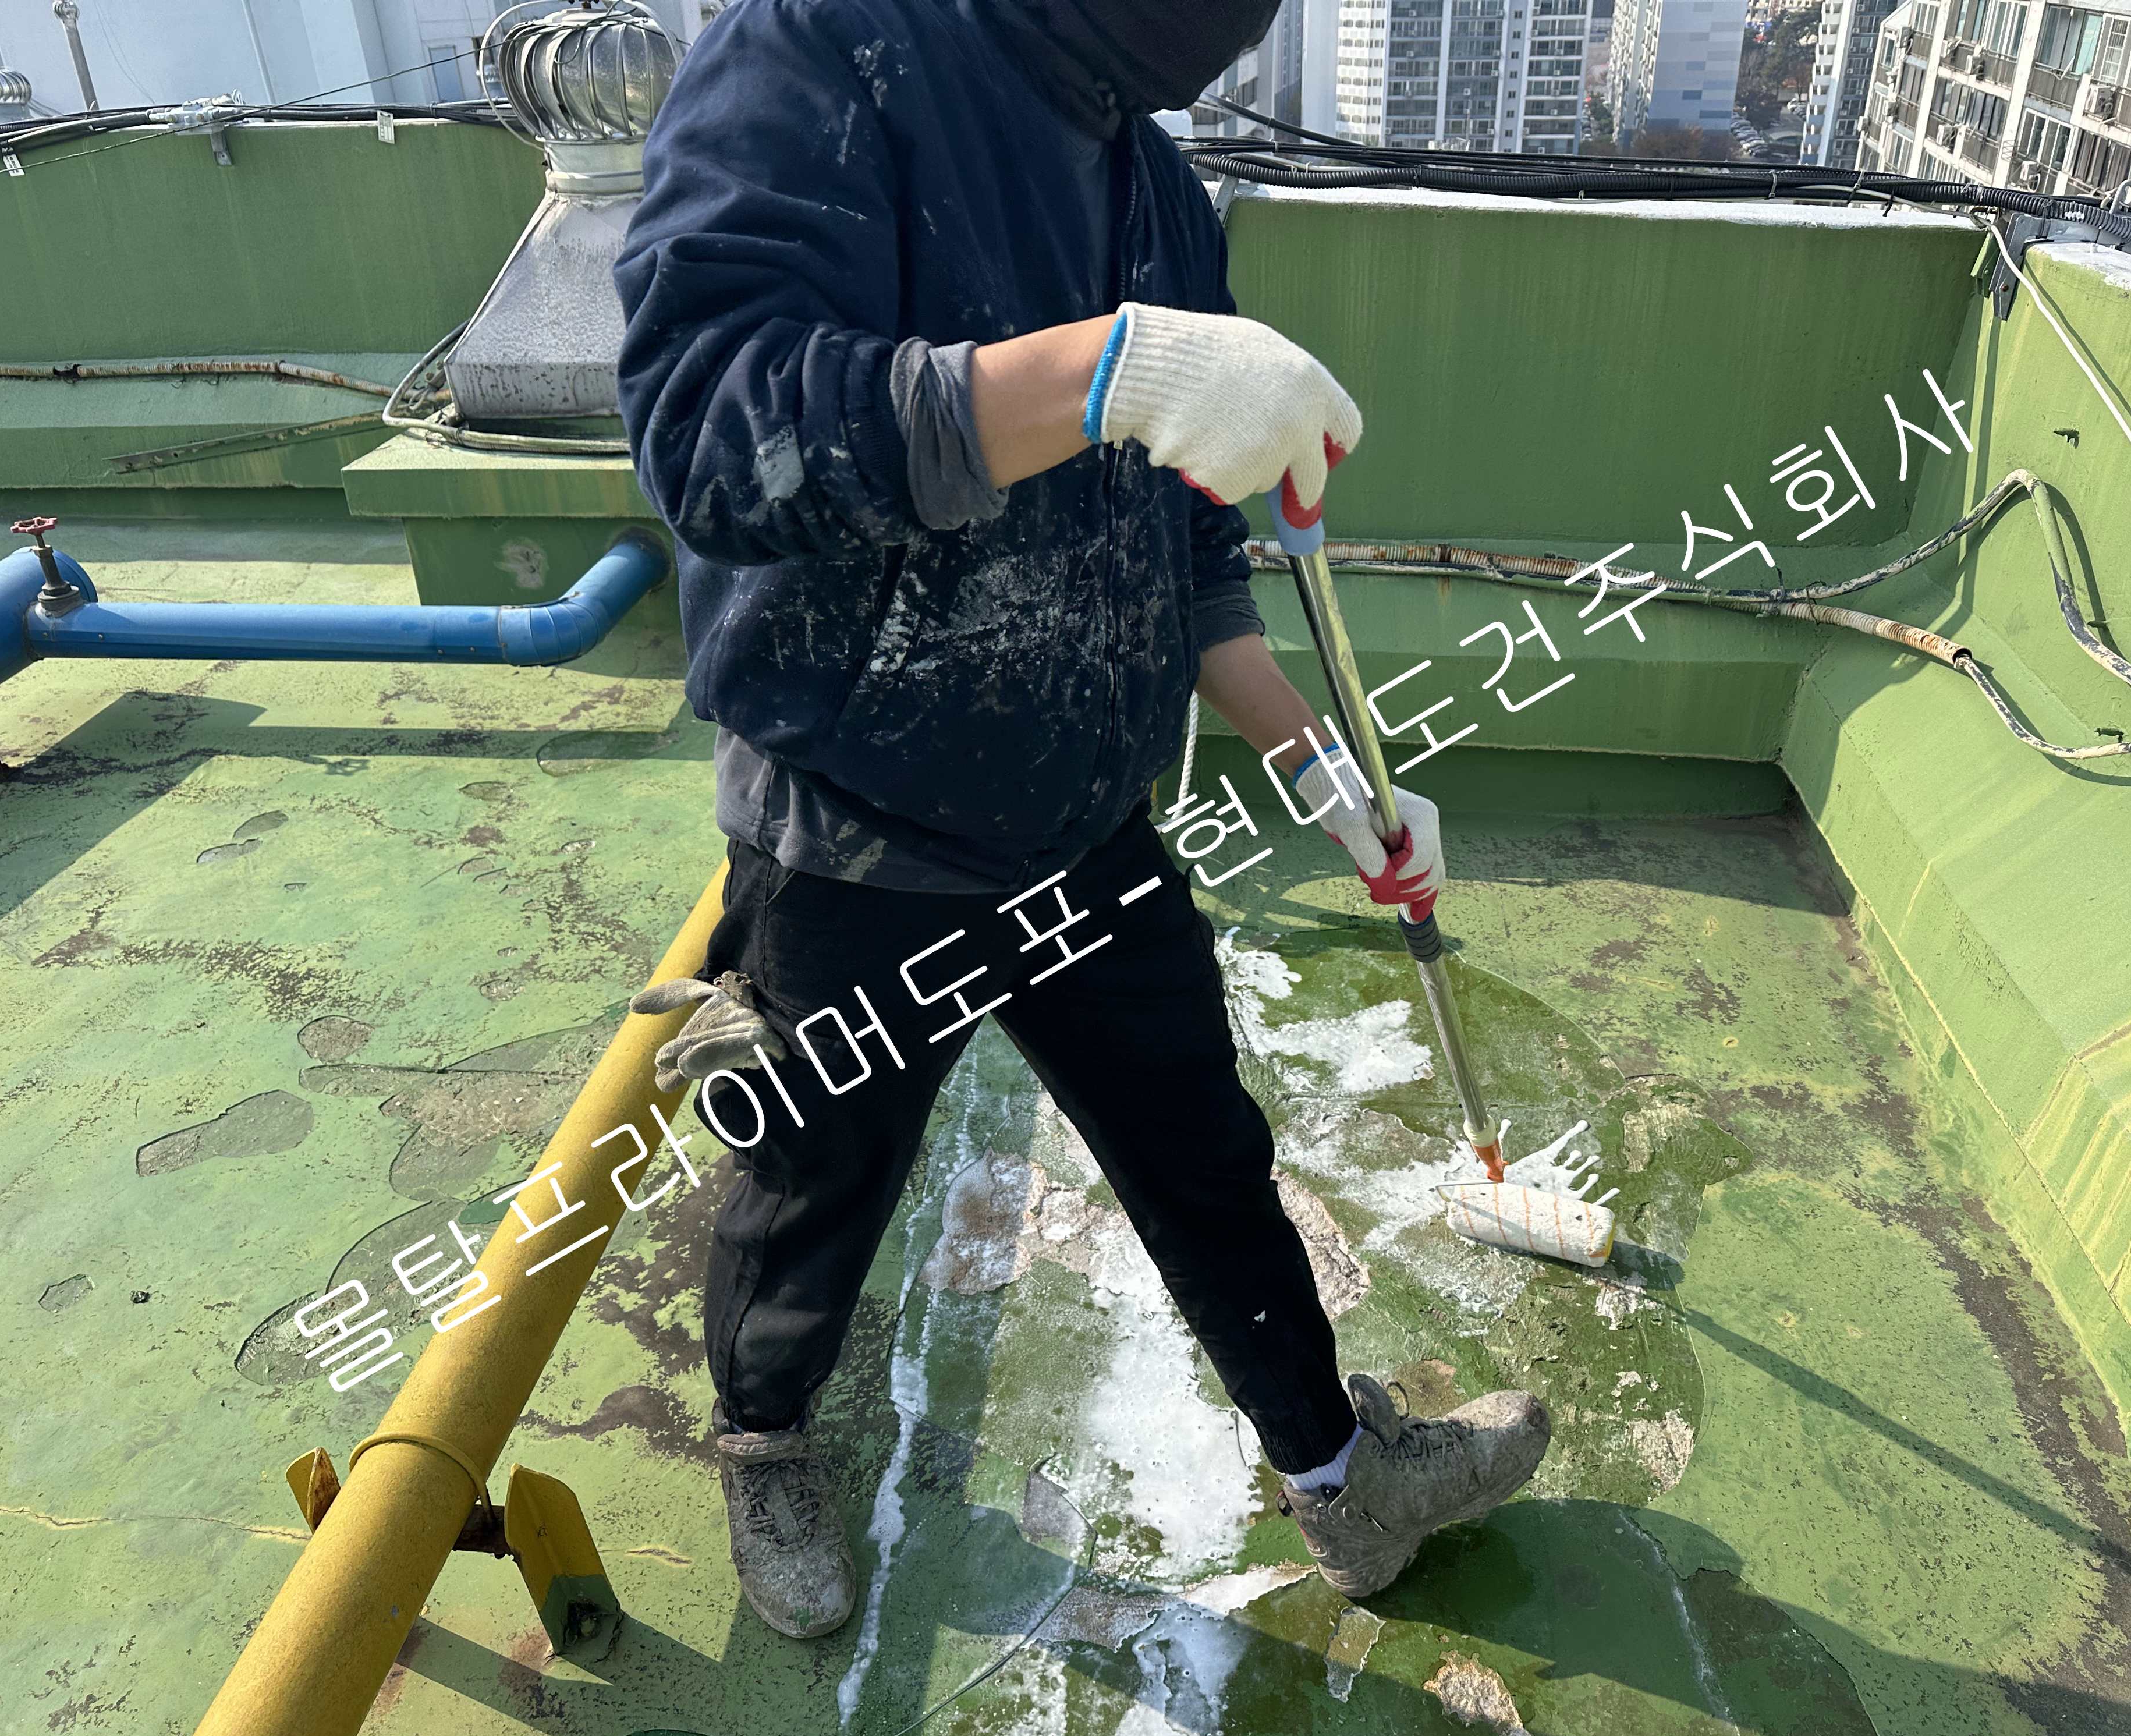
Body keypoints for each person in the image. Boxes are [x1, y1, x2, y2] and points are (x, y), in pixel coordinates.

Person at [614, 0, 1552, 1641]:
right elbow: (710, 430)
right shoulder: (825, 50)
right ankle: (765, 1440)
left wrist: (1327, 772)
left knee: (1206, 1157)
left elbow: (1189, 556)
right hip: (855, 826)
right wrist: (1101, 368)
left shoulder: (1155, 184)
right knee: (814, 1179)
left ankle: (1339, 1480)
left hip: (1084, 820)